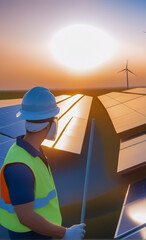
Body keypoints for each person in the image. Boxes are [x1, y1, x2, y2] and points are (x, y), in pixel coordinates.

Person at [0, 87, 85, 239]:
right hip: (30, 236)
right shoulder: (20, 167)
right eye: (55, 119)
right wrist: (65, 233)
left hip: (41, 232)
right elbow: (26, 217)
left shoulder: (30, 150)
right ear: (48, 125)